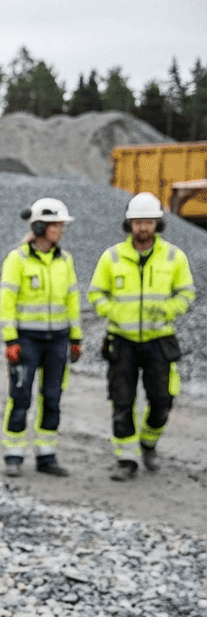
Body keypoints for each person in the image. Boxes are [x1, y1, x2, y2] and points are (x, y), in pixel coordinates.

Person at [89, 192, 196, 481]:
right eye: (138, 222)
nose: (143, 228)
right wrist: (113, 312)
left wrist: (167, 310)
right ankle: (126, 458)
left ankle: (148, 442)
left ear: (158, 224)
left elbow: (187, 293)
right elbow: (96, 293)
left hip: (159, 340)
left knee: (162, 400)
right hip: (121, 340)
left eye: (149, 222)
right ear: (129, 224)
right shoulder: (111, 257)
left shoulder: (174, 257)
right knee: (122, 401)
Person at [0, 198, 82, 478]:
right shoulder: (17, 259)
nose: (61, 230)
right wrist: (10, 340)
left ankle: (47, 456)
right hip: (26, 340)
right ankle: (14, 454)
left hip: (57, 339)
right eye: (57, 225)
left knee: (52, 397)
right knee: (21, 396)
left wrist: (75, 337)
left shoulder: (65, 260)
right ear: (40, 225)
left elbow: (72, 299)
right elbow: (6, 300)